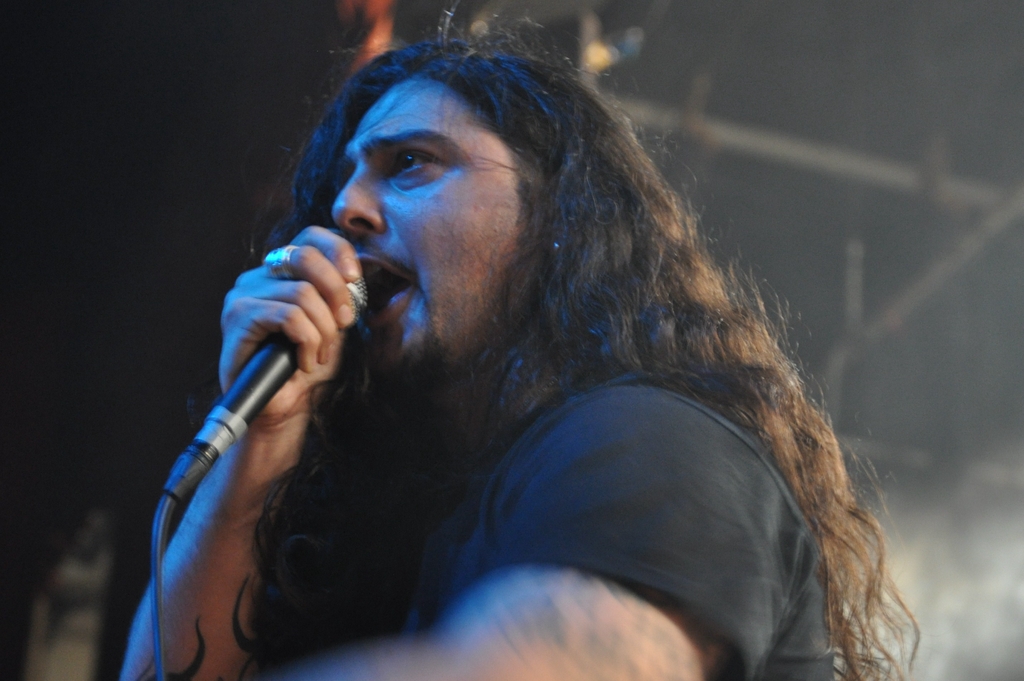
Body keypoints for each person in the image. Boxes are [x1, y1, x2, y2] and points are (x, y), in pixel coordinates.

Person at [120, 34, 913, 681]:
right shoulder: (397, 521)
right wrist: (263, 438)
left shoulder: (650, 438)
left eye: (410, 163)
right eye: (343, 184)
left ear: (554, 213)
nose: (346, 209)